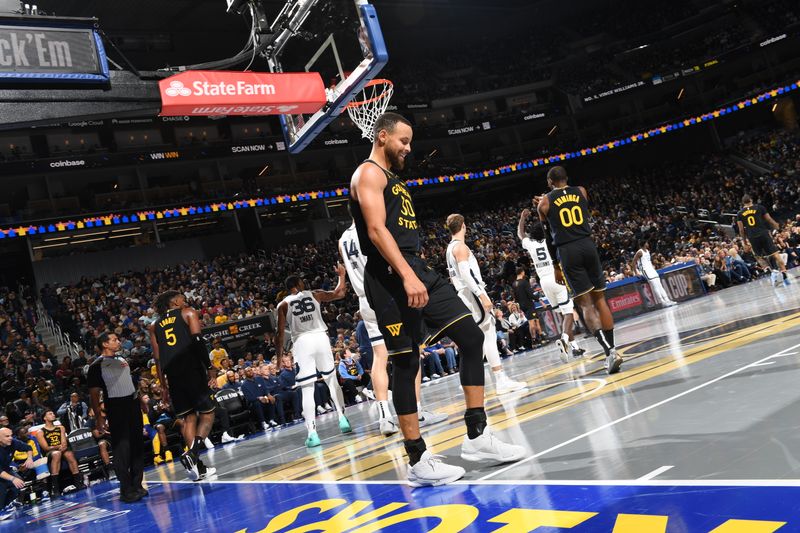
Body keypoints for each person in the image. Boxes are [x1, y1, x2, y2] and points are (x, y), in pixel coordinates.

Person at [349, 112, 524, 487]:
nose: (409, 149)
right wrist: (407, 275)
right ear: (382, 137)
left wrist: (416, 270)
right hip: (389, 277)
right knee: (406, 362)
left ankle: (477, 436)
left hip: (415, 267)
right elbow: (377, 231)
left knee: (473, 337)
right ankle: (417, 458)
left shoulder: (392, 177)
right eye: (404, 141)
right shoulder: (368, 174)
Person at [339, 222, 448, 437]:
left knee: (380, 357)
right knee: (411, 352)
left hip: (363, 300)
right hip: (382, 294)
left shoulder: (342, 239)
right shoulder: (371, 227)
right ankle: (417, 412)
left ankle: (384, 417)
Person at [534, 166, 622, 374]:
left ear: (549, 181)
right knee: (600, 300)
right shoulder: (581, 191)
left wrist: (555, 266)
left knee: (585, 305)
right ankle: (614, 349)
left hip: (568, 250)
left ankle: (609, 352)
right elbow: (572, 204)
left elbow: (548, 238)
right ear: (566, 178)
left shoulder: (544, 203)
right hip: (587, 244)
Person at [447, 213, 526, 393]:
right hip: (472, 294)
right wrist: (482, 295)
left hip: (464, 294)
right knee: (488, 334)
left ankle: (467, 378)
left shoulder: (450, 248)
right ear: (464, 226)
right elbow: (467, 275)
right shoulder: (460, 247)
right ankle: (500, 380)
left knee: (479, 338)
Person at [275, 267, 351, 448]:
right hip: (320, 338)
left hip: (302, 342)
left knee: (307, 389)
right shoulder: (314, 294)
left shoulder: (283, 305)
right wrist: (341, 276)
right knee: (331, 380)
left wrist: (279, 359)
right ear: (297, 284)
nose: (304, 283)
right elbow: (339, 293)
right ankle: (343, 419)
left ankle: (312, 433)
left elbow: (279, 335)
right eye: (301, 281)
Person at [150, 291, 216, 481]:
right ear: (175, 301)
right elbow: (197, 340)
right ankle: (193, 453)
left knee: (188, 419)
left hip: (173, 375)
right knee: (208, 413)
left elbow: (157, 358)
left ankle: (198, 469)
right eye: (181, 298)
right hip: (192, 369)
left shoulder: (154, 326)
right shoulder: (188, 312)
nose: (184, 300)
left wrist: (163, 386)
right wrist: (209, 366)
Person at [518, 216, 586, 363]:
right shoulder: (552, 241)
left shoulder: (530, 244)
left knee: (564, 314)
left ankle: (574, 347)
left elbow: (520, 234)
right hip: (557, 277)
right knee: (568, 313)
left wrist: (522, 218)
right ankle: (564, 339)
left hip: (544, 282)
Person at [87, 332, 146, 503]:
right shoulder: (96, 365)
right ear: (105, 344)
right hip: (116, 407)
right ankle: (126, 490)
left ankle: (137, 485)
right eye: (114, 340)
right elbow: (94, 393)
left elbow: (130, 382)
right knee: (123, 448)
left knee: (137, 445)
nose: (118, 341)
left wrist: (140, 399)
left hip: (133, 404)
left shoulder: (122, 360)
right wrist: (99, 418)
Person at [737, 194, 790, 287]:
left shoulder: (740, 213)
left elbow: (741, 230)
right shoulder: (760, 208)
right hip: (764, 233)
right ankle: (785, 277)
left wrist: (744, 242)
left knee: (758, 257)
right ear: (751, 200)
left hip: (752, 237)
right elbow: (769, 219)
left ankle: (772, 272)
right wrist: (776, 225)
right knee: (776, 255)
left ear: (743, 203)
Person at [36, 409, 84, 497]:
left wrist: (63, 447)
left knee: (69, 454)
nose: (53, 414)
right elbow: (46, 448)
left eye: (53, 413)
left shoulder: (61, 428)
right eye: (50, 413)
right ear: (44, 418)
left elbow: (64, 443)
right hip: (50, 453)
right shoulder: (40, 432)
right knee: (56, 454)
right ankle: (55, 487)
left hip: (62, 449)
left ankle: (78, 483)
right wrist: (58, 447)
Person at [632, 240, 677, 307]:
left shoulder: (647, 251)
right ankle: (662, 302)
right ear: (644, 244)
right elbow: (633, 262)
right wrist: (636, 272)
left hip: (651, 270)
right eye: (646, 243)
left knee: (660, 285)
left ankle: (667, 300)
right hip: (645, 271)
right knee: (655, 286)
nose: (648, 244)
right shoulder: (639, 252)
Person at [0, 427, 31, 520]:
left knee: (19, 483)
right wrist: (12, 479)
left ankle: (7, 505)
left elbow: (28, 448)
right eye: (7, 436)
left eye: (11, 435)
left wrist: (29, 458)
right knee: (2, 486)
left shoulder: (13, 442)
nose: (10, 438)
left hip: (6, 469)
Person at [511, 268, 545, 346]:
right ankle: (534, 340)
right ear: (522, 272)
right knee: (532, 323)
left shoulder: (513, 284)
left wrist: (519, 307)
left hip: (522, 306)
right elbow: (530, 294)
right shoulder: (524, 282)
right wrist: (539, 300)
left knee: (535, 321)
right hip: (529, 304)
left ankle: (540, 338)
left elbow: (515, 297)